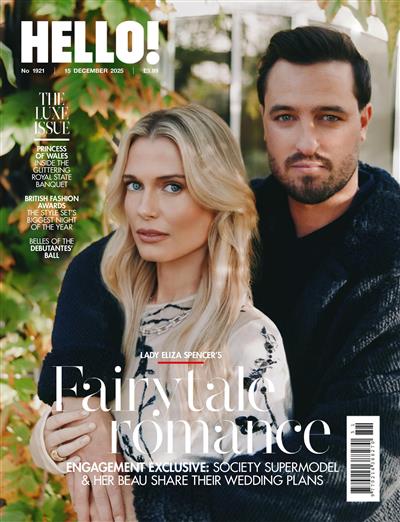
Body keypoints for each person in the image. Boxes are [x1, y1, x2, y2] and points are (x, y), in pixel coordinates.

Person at [35, 25, 399, 521]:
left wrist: (148, 502)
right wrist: (83, 400)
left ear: (363, 121)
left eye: (329, 117)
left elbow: (359, 471)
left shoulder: (388, 258)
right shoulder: (237, 216)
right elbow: (103, 265)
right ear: (263, 121)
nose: (306, 141)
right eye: (285, 117)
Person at [30, 105, 292, 521]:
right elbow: (57, 429)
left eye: (172, 187)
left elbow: (261, 501)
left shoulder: (247, 339)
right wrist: (53, 440)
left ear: (217, 197)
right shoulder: (111, 315)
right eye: (134, 185)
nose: (145, 208)